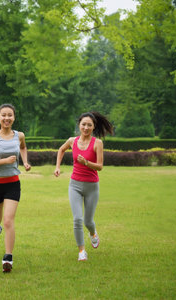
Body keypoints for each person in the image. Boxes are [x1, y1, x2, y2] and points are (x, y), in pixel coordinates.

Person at [54, 111, 113, 261]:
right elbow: (61, 150)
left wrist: (86, 163)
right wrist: (57, 167)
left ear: (93, 127)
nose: (86, 127)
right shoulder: (72, 141)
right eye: (83, 124)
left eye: (89, 125)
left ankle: (93, 233)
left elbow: (100, 166)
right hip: (75, 185)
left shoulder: (97, 143)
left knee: (88, 221)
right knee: (77, 219)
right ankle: (81, 251)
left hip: (92, 187)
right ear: (79, 125)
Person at [0, 103, 31, 273]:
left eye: (10, 115)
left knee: (9, 219)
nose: (7, 118)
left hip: (12, 183)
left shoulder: (20, 136)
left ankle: (8, 257)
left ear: (14, 117)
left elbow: (23, 148)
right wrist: (5, 161)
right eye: (3, 115)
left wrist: (24, 161)